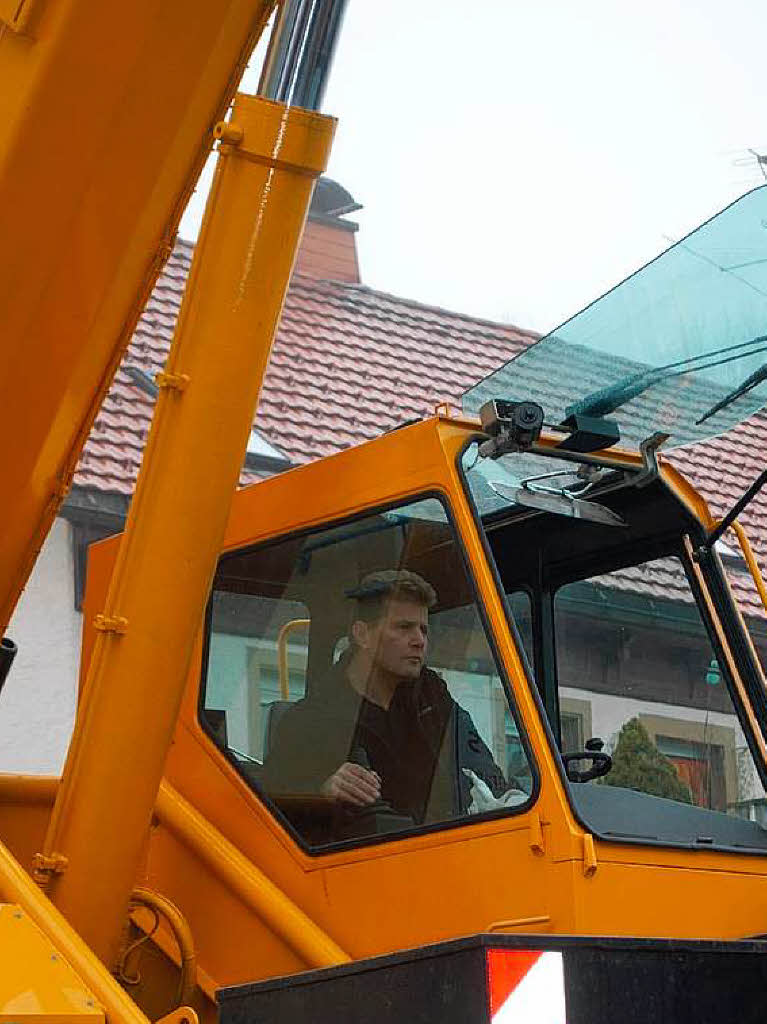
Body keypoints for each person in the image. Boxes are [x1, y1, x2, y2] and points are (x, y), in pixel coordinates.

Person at [262, 569, 509, 843]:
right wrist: (323, 791)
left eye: (423, 629)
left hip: (446, 853)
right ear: (362, 635)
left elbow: (483, 771)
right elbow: (272, 811)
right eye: (404, 627)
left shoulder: (433, 697)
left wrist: (508, 800)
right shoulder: (309, 721)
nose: (419, 641)